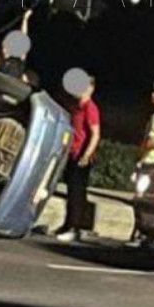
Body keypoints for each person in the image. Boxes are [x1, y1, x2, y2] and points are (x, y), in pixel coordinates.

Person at [56, 75, 100, 242]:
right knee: (71, 192)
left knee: (77, 194)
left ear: (90, 88)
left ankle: (74, 228)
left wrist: (86, 155)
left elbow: (95, 135)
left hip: (82, 156)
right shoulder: (77, 106)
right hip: (72, 153)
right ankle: (68, 224)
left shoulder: (90, 108)